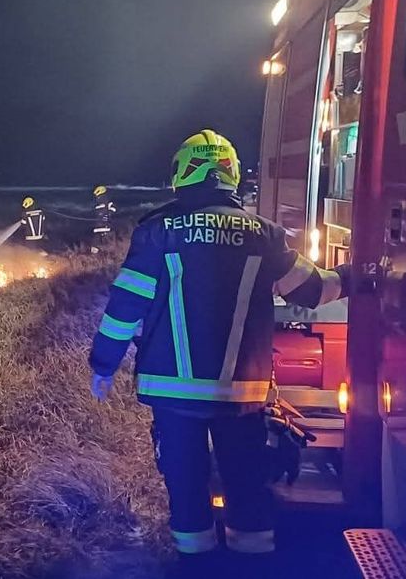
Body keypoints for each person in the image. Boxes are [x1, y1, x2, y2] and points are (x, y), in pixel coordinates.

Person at [87, 129, 349, 576]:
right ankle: (252, 566)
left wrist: (103, 364)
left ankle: (196, 566)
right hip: (240, 396)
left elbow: (125, 307)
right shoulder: (264, 235)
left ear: (183, 174)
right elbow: (312, 290)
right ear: (228, 174)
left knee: (186, 487)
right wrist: (353, 276)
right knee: (247, 485)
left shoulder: (157, 232)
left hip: (174, 394)